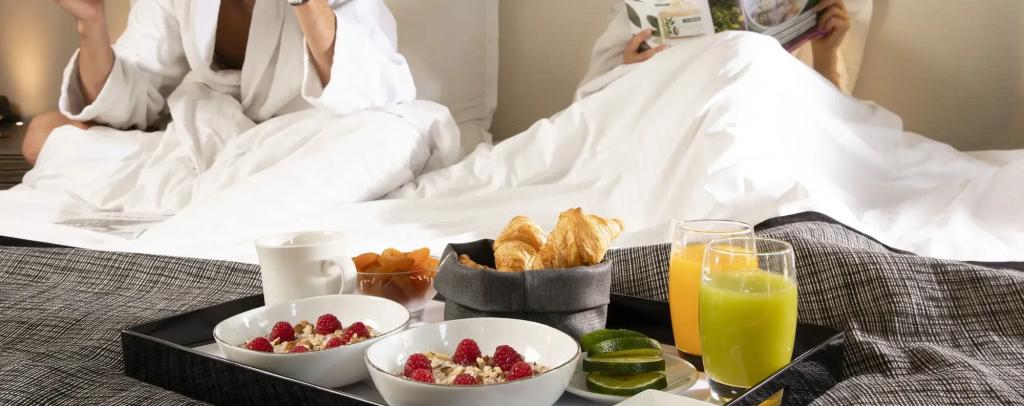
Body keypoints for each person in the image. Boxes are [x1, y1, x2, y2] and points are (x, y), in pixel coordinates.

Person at [19, 0, 422, 213]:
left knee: (392, 136)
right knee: (43, 132)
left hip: (306, 142)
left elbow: (371, 91)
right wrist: (90, 22)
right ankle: (225, 197)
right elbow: (128, 100)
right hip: (216, 142)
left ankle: (212, 199)